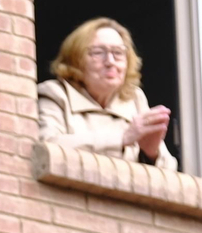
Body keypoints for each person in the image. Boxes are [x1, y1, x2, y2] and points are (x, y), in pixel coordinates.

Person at [38, 17, 178, 170]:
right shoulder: (55, 93)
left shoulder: (134, 98)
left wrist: (151, 153)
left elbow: (169, 170)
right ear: (76, 59)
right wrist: (122, 138)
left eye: (118, 53)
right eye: (98, 53)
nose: (110, 61)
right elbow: (46, 148)